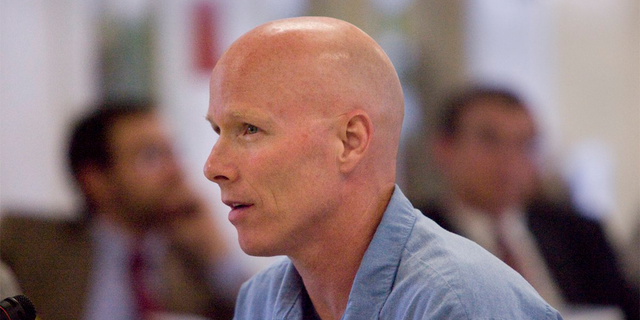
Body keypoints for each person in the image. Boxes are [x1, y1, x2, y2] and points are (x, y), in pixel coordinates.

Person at [202, 16, 562, 320]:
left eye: (250, 129)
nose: (213, 167)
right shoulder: (260, 301)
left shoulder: (456, 304)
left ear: (350, 142)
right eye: (218, 131)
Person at [1, 101, 244, 320]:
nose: (175, 171)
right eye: (151, 156)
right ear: (96, 181)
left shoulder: (193, 257)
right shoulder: (31, 245)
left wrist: (217, 255)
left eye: (173, 152)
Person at [419, 86, 639, 319]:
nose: (509, 158)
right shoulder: (417, 241)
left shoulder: (580, 234)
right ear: (443, 148)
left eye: (525, 144)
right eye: (489, 140)